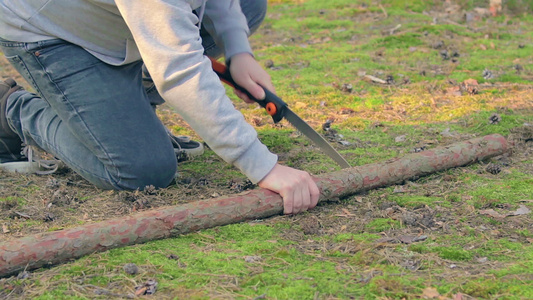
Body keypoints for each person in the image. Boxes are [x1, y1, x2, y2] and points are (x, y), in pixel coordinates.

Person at [0, 0, 319, 214]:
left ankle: (125, 114)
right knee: (141, 170)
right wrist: (264, 168)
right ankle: (13, 109)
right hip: (50, 30)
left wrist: (239, 50)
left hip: (117, 16)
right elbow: (180, 70)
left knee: (248, 6)